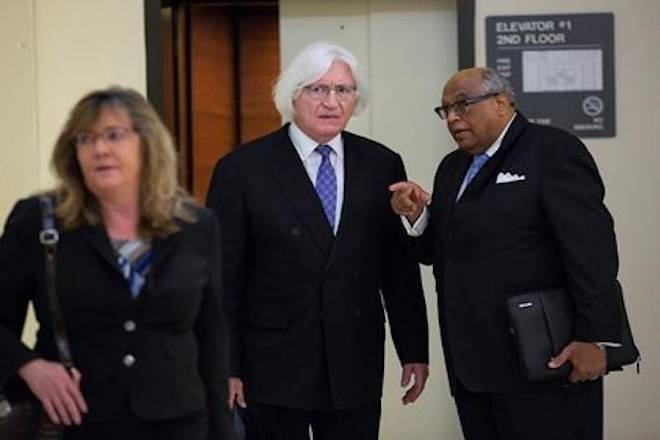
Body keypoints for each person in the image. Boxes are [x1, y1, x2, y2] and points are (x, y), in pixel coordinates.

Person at [205, 42, 429, 440]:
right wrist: (226, 366)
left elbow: (397, 270)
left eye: (342, 90)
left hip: (353, 362)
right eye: (317, 89)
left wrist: (414, 350)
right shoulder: (241, 170)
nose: (331, 102)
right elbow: (224, 279)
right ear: (292, 94)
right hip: (270, 367)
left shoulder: (381, 164)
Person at [390, 67, 622, 439]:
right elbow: (442, 253)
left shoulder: (552, 151)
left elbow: (592, 252)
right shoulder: (451, 169)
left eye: (463, 105)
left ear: (502, 103)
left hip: (546, 361)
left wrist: (595, 338)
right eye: (445, 109)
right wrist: (418, 216)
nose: (452, 117)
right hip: (474, 366)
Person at [0, 87, 234, 439]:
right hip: (76, 422)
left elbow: (212, 340)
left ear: (147, 143)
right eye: (86, 138)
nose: (100, 149)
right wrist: (28, 366)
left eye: (115, 135)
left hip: (178, 423)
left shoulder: (196, 226)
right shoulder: (37, 221)